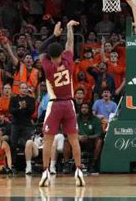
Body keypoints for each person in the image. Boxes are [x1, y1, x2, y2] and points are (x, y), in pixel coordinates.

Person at [38, 20, 85, 187]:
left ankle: (45, 172)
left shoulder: (48, 67)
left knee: (48, 140)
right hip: (69, 104)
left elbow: (40, 49)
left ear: (50, 56)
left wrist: (54, 35)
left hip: (55, 104)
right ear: (62, 53)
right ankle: (79, 169)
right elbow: (70, 43)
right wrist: (69, 28)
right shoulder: (68, 62)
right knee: (74, 140)